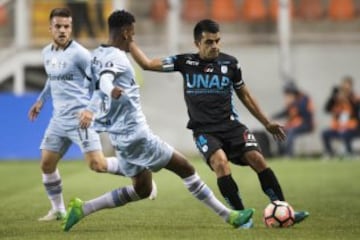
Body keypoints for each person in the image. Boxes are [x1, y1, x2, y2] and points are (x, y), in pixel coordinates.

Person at [61, 10, 254, 232]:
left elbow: (96, 84)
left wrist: (93, 106)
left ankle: (82, 209)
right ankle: (230, 216)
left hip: (119, 135)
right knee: (187, 169)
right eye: (132, 34)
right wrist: (109, 92)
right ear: (125, 32)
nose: (132, 39)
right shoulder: (116, 56)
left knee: (142, 189)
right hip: (136, 134)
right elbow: (105, 81)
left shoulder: (96, 54)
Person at [129, 19, 309, 225]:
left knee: (257, 159)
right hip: (205, 131)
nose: (215, 46)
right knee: (221, 163)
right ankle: (241, 217)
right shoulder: (185, 62)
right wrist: (130, 43)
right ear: (197, 43)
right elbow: (147, 64)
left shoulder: (230, 63)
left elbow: (246, 95)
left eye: (217, 41)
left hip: (231, 126)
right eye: (209, 42)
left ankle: (284, 210)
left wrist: (267, 122)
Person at [27, 8, 154, 222]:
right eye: (58, 26)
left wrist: (91, 110)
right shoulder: (46, 53)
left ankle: (140, 173)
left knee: (98, 165)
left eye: (66, 27)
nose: (62, 30)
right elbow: (52, 78)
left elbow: (99, 84)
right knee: (46, 164)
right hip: (58, 119)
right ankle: (58, 210)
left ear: (71, 28)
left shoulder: (81, 54)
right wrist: (41, 100)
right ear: (50, 28)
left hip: (81, 118)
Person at [272, 81, 314, 157]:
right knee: (278, 130)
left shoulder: (304, 98)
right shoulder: (293, 101)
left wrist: (293, 103)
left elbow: (304, 112)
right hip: (293, 125)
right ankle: (281, 153)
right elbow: (286, 112)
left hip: (306, 124)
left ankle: (288, 154)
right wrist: (274, 116)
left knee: (291, 131)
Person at [322, 76, 360, 158]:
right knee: (324, 133)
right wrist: (333, 97)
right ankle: (330, 153)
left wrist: (348, 99)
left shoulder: (355, 98)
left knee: (345, 133)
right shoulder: (336, 100)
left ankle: (349, 153)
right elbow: (326, 109)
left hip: (352, 128)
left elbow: (356, 112)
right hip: (338, 128)